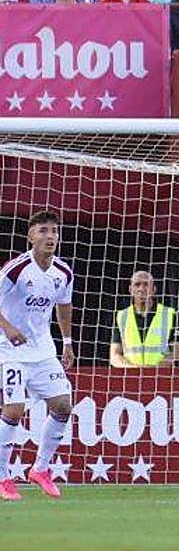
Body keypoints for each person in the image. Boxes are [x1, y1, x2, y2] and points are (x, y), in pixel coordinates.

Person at [0, 211, 75, 501]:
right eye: (43, 231)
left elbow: (64, 305)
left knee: (63, 406)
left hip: (43, 350)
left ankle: (40, 469)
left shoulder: (63, 272)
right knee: (14, 410)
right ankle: (4, 477)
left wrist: (67, 340)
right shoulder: (15, 269)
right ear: (30, 237)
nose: (50, 236)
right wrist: (8, 328)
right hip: (10, 350)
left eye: (54, 231)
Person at [108, 269, 179, 369]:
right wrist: (135, 369)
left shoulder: (169, 314)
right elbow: (114, 356)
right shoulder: (121, 316)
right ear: (130, 290)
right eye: (137, 284)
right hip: (130, 378)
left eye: (146, 284)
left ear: (154, 289)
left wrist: (154, 369)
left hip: (161, 377)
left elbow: (178, 353)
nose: (141, 289)